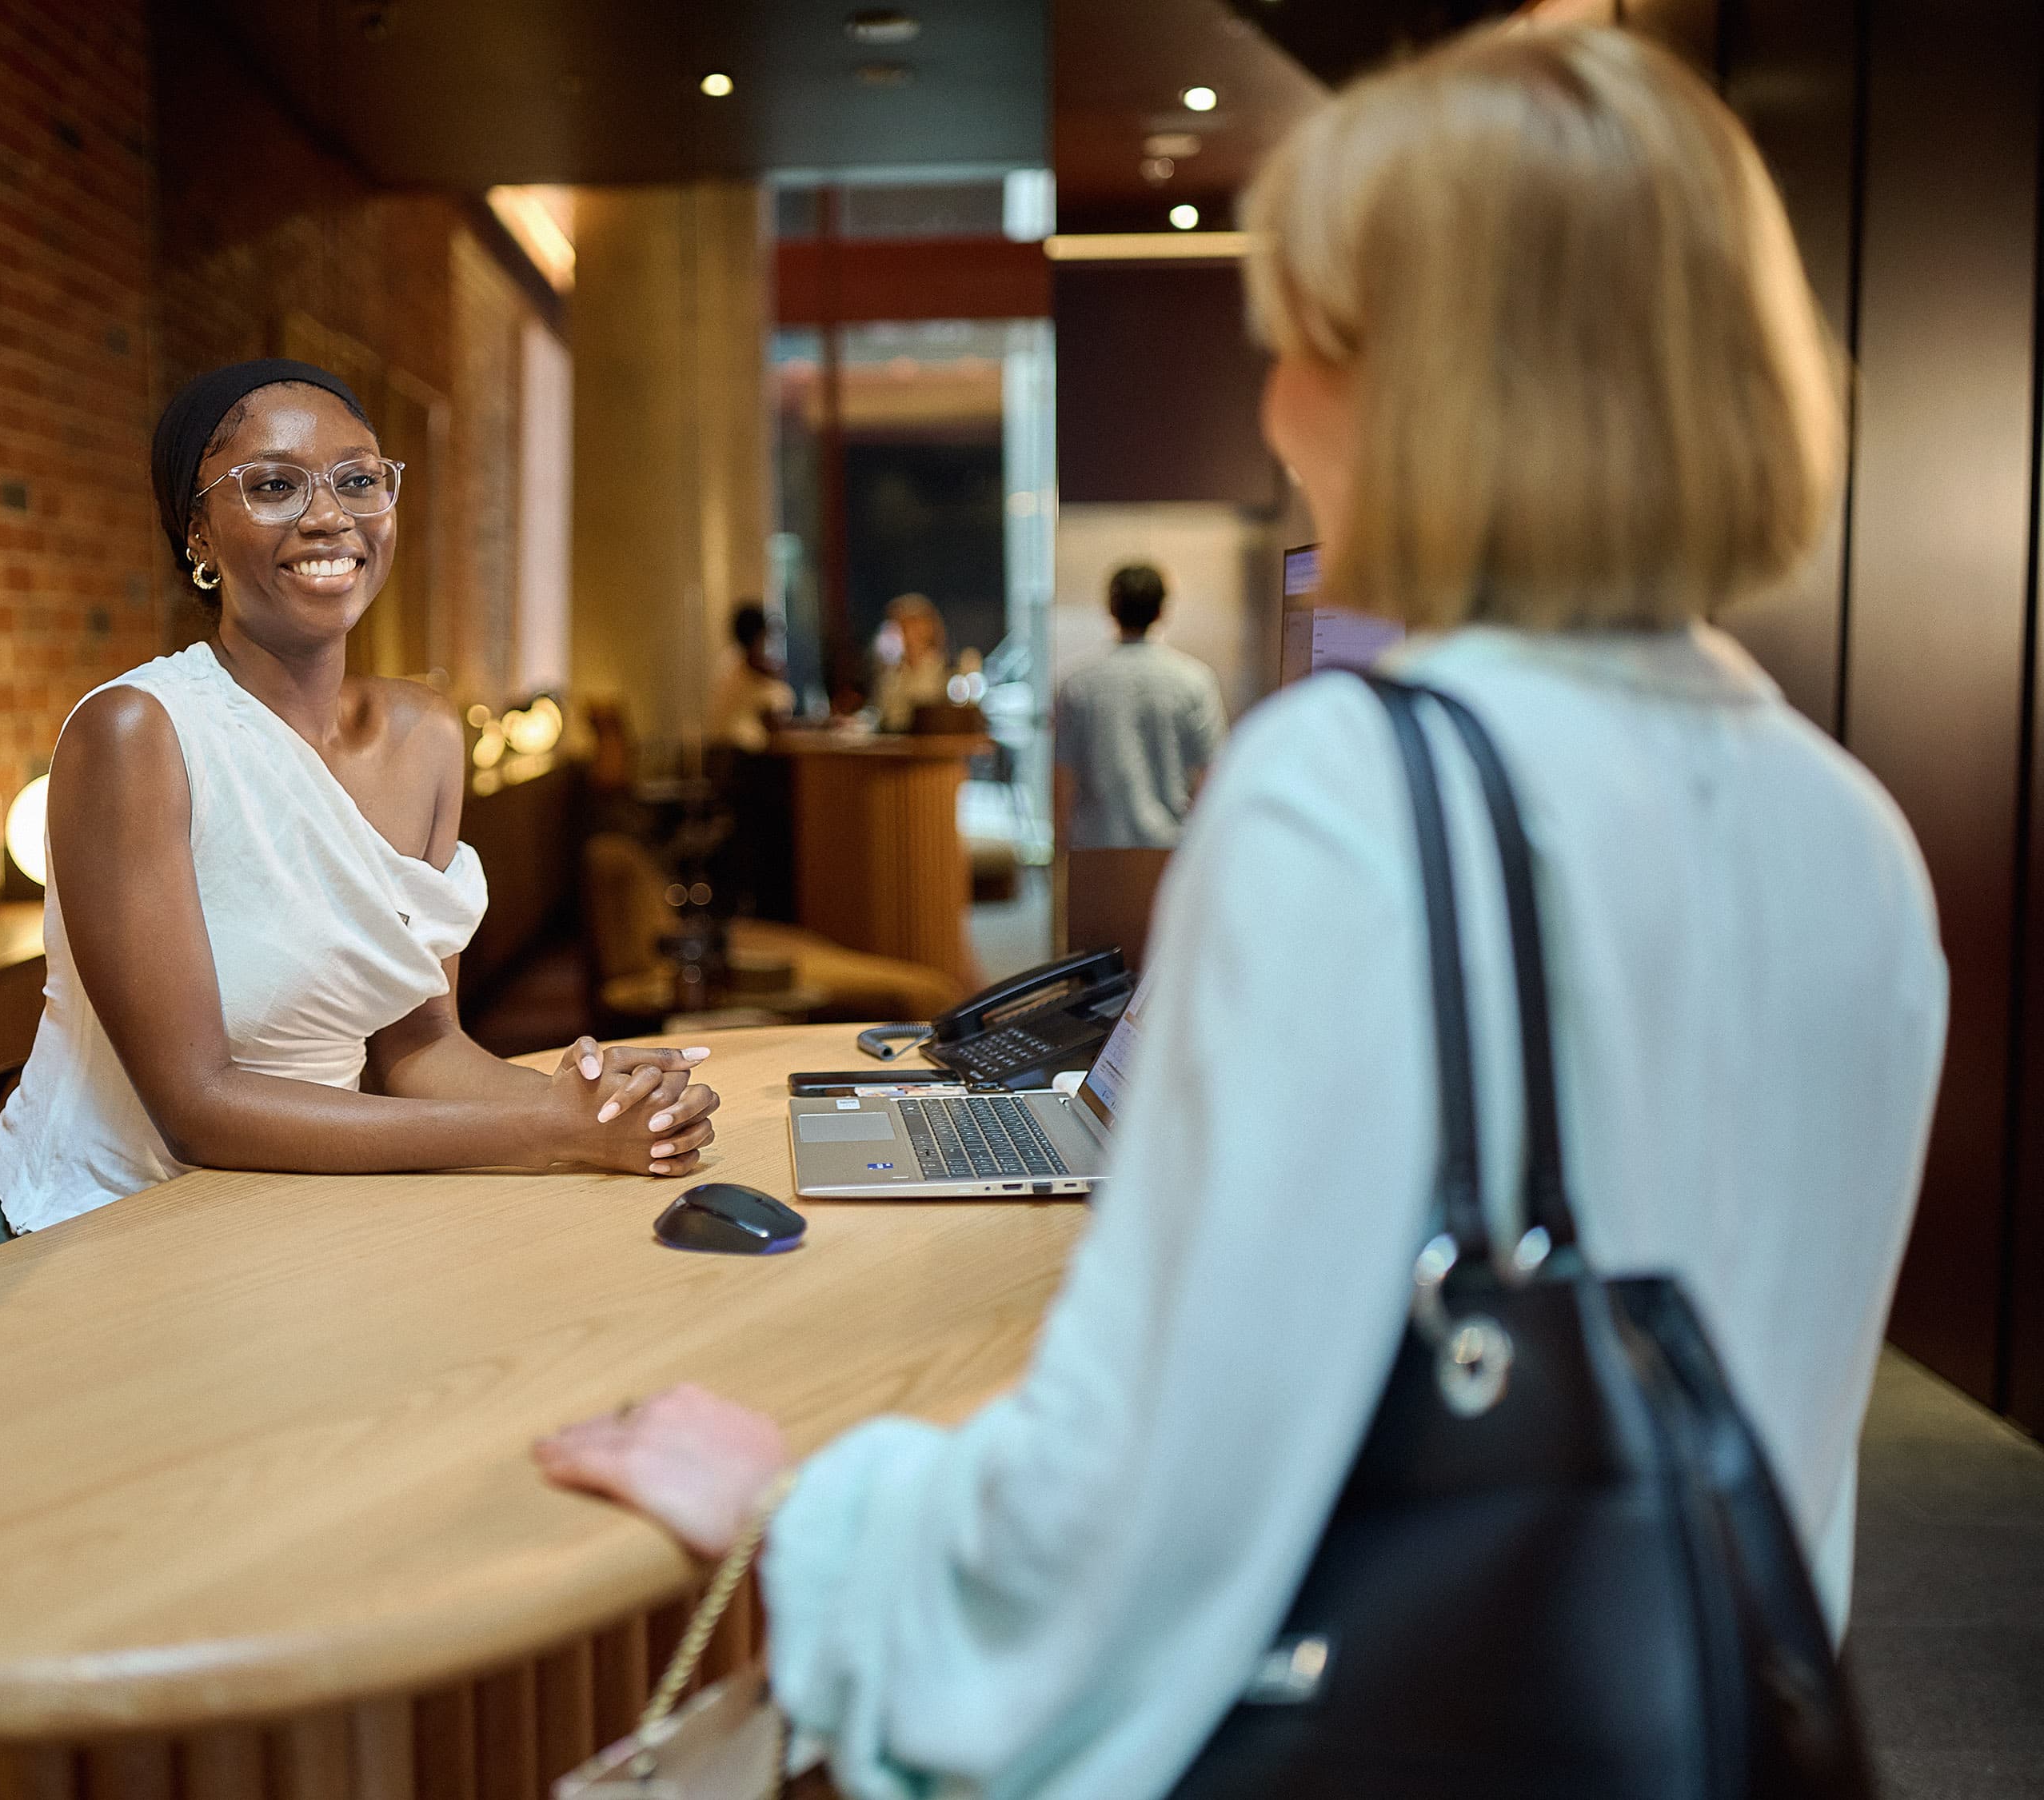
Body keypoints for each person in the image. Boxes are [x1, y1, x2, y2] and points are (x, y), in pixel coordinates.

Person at [535, 26, 1946, 1799]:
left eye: (1304, 343)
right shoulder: (1856, 839)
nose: (1279, 402)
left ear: (1414, 385)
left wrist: (795, 1509)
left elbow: (1133, 1501)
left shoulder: (1356, 783)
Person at [0, 361, 718, 1245]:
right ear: (199, 535)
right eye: (274, 485)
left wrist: (596, 1109)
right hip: (100, 1226)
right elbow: (197, 1106)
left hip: (296, 1206)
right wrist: (544, 1130)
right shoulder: (136, 734)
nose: (329, 515)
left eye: (359, 479)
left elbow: (419, 1050)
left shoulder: (427, 739)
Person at [1052, 565, 1228, 849]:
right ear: (1162, 611)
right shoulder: (1195, 681)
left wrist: (1061, 842)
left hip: (1095, 850)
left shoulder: (1078, 686)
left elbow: (1063, 777)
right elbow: (1211, 775)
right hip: (1170, 851)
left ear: (1111, 609)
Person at [705, 601, 796, 752]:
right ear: (758, 636)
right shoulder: (744, 666)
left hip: (725, 750)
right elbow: (772, 721)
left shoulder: (729, 663)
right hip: (739, 755)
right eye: (764, 636)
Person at [869, 593, 949, 732]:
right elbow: (883, 713)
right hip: (894, 745)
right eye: (902, 627)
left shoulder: (947, 669)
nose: (908, 634)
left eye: (913, 626)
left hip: (929, 745)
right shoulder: (892, 671)